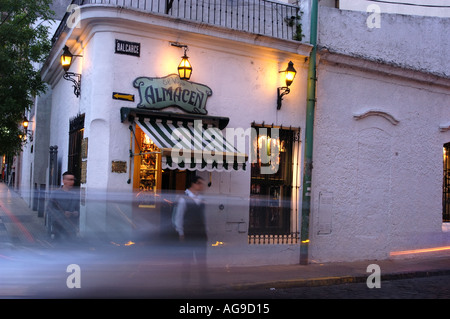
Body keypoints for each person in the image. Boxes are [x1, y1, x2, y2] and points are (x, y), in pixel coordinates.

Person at [173, 175, 209, 290]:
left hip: (201, 234)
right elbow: (178, 217)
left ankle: (204, 286)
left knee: (202, 261)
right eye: (200, 183)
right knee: (187, 261)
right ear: (194, 184)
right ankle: (185, 285)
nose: (202, 186)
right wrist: (181, 233)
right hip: (189, 234)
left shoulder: (201, 198)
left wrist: (206, 230)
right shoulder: (184, 199)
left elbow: (203, 217)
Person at [47, 171, 80, 243]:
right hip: (58, 226)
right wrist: (63, 214)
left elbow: (78, 208)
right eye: (69, 179)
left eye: (73, 179)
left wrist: (76, 213)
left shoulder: (76, 194)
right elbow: (50, 209)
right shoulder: (55, 194)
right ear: (63, 181)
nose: (72, 182)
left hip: (71, 226)